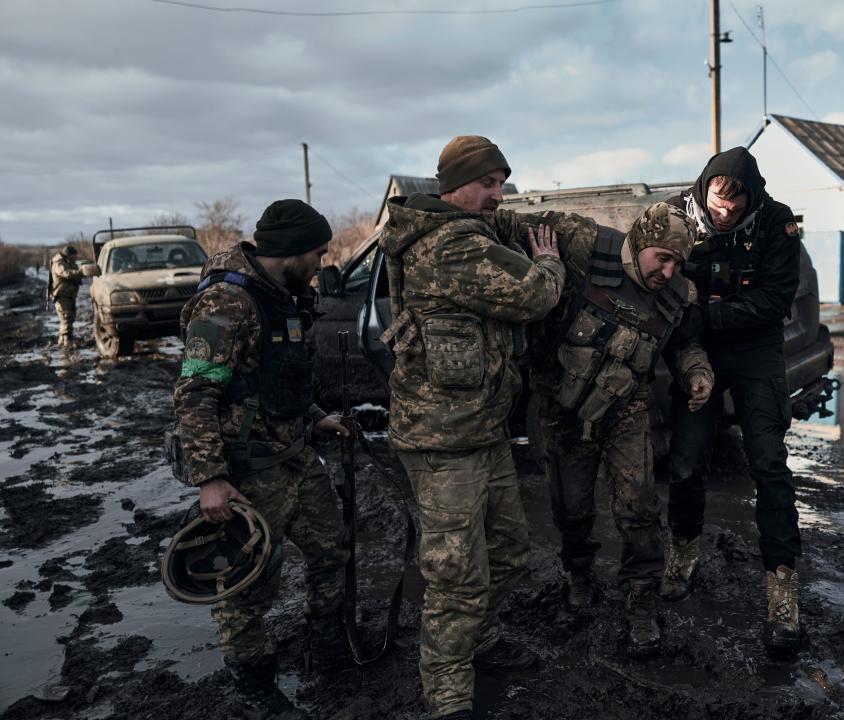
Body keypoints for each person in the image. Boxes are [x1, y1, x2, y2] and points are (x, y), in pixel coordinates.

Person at [378, 135, 565, 720]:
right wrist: (551, 260)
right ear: (453, 185)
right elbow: (534, 296)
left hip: (480, 431)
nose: (497, 195)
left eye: (502, 183)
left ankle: (477, 641)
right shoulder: (452, 245)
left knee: (508, 549)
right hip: (442, 442)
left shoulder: (467, 235)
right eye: (488, 183)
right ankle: (449, 696)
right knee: (457, 575)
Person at [172, 199, 350, 716]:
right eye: (318, 252)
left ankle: (330, 648)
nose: (322, 262)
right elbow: (195, 392)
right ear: (291, 251)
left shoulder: (283, 295)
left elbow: (278, 376)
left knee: (330, 552)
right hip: (248, 472)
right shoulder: (226, 303)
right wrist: (210, 479)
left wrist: (316, 416)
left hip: (294, 455)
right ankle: (252, 680)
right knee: (248, 581)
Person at [521, 202, 712, 659]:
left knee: (639, 506)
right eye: (661, 257)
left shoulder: (677, 297)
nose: (667, 271)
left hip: (627, 409)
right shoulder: (587, 248)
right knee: (571, 507)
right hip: (563, 408)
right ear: (642, 242)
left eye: (677, 263)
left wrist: (698, 373)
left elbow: (686, 345)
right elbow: (507, 228)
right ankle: (579, 576)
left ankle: (640, 598)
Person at [663, 146, 802, 655]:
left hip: (754, 348)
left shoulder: (776, 222)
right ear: (705, 190)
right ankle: (681, 557)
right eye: (717, 207)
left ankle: (782, 591)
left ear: (751, 199)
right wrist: (691, 327)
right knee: (685, 461)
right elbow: (655, 273)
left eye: (734, 209)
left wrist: (711, 315)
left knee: (768, 463)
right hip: (697, 347)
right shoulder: (678, 215)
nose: (724, 216)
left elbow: (773, 301)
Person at [49, 245, 83, 347]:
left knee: (69, 318)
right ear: (69, 255)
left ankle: (62, 341)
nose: (76, 257)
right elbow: (66, 273)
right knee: (66, 318)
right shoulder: (59, 264)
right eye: (74, 255)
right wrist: (80, 272)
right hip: (62, 295)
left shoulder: (68, 262)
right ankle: (67, 342)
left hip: (68, 294)